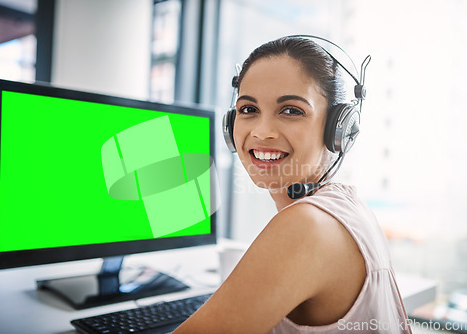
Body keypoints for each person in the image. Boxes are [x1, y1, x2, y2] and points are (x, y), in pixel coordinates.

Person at [173, 36, 411, 334]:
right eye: (248, 109)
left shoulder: (307, 226)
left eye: (291, 111)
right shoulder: (345, 206)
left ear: (339, 129)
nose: (262, 132)